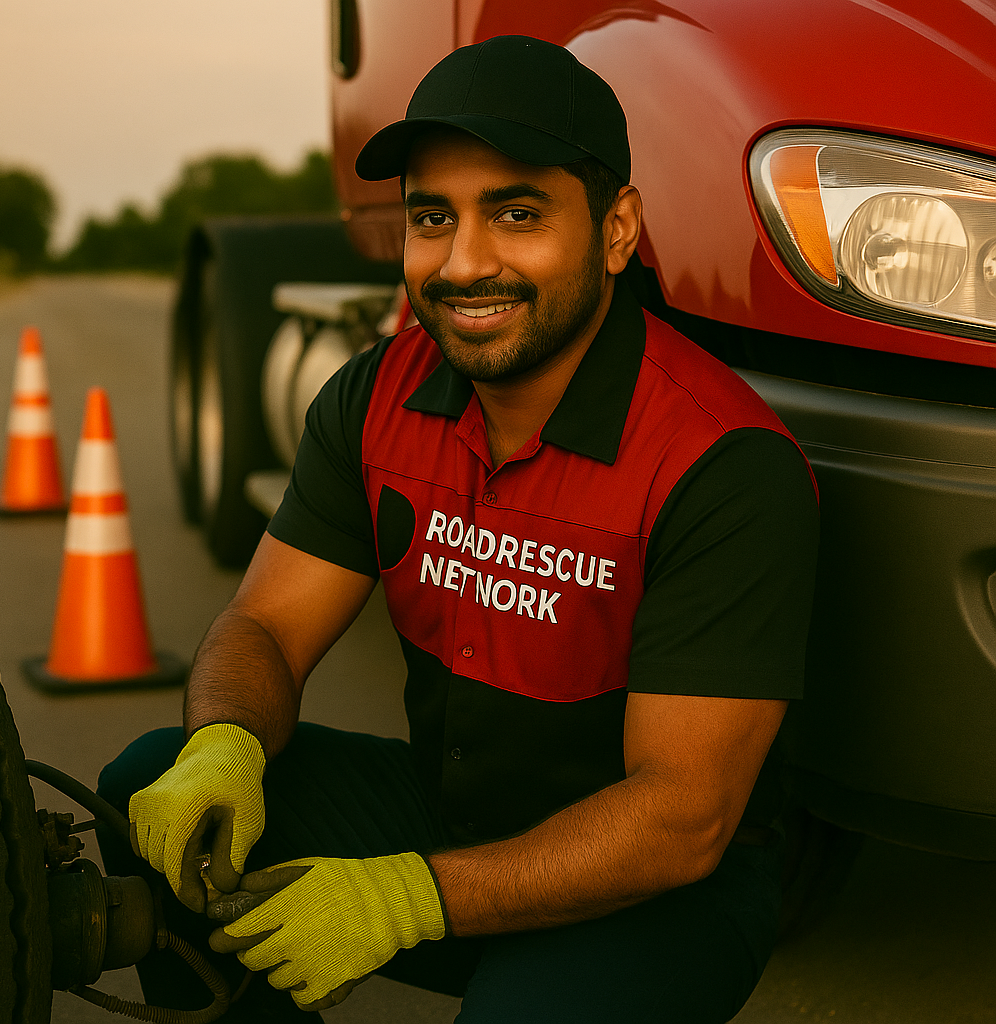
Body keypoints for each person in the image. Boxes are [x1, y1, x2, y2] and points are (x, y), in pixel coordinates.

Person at [98, 34, 819, 1023]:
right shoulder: (372, 399)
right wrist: (223, 744)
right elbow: (263, 625)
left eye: (516, 214)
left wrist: (403, 899)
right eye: (432, 217)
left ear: (616, 232)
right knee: (153, 793)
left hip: (662, 892)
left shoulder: (721, 461)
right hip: (451, 816)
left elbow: (682, 818)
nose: (464, 262)